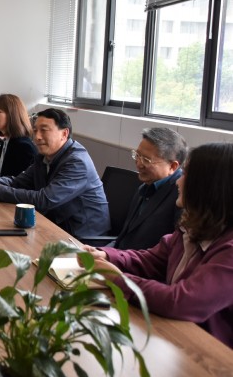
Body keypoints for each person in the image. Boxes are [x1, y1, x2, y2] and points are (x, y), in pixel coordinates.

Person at [85, 142, 233, 348]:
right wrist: (107, 255)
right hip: (174, 335)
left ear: (208, 187)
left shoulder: (229, 250)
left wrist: (118, 279)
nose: (178, 181)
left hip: (209, 353)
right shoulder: (192, 226)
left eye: (186, 175)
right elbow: (152, 260)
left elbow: (180, 301)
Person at [0, 108, 109, 237]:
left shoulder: (77, 162)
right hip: (54, 226)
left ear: (64, 134)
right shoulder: (44, 156)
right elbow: (19, 182)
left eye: (44, 130)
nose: (37, 137)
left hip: (81, 239)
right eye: (35, 131)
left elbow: (45, 200)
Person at [112, 127, 187, 250]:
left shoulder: (181, 198)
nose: (139, 163)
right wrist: (103, 252)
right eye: (137, 155)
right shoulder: (145, 186)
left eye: (146, 160)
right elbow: (123, 239)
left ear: (173, 166)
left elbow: (169, 253)